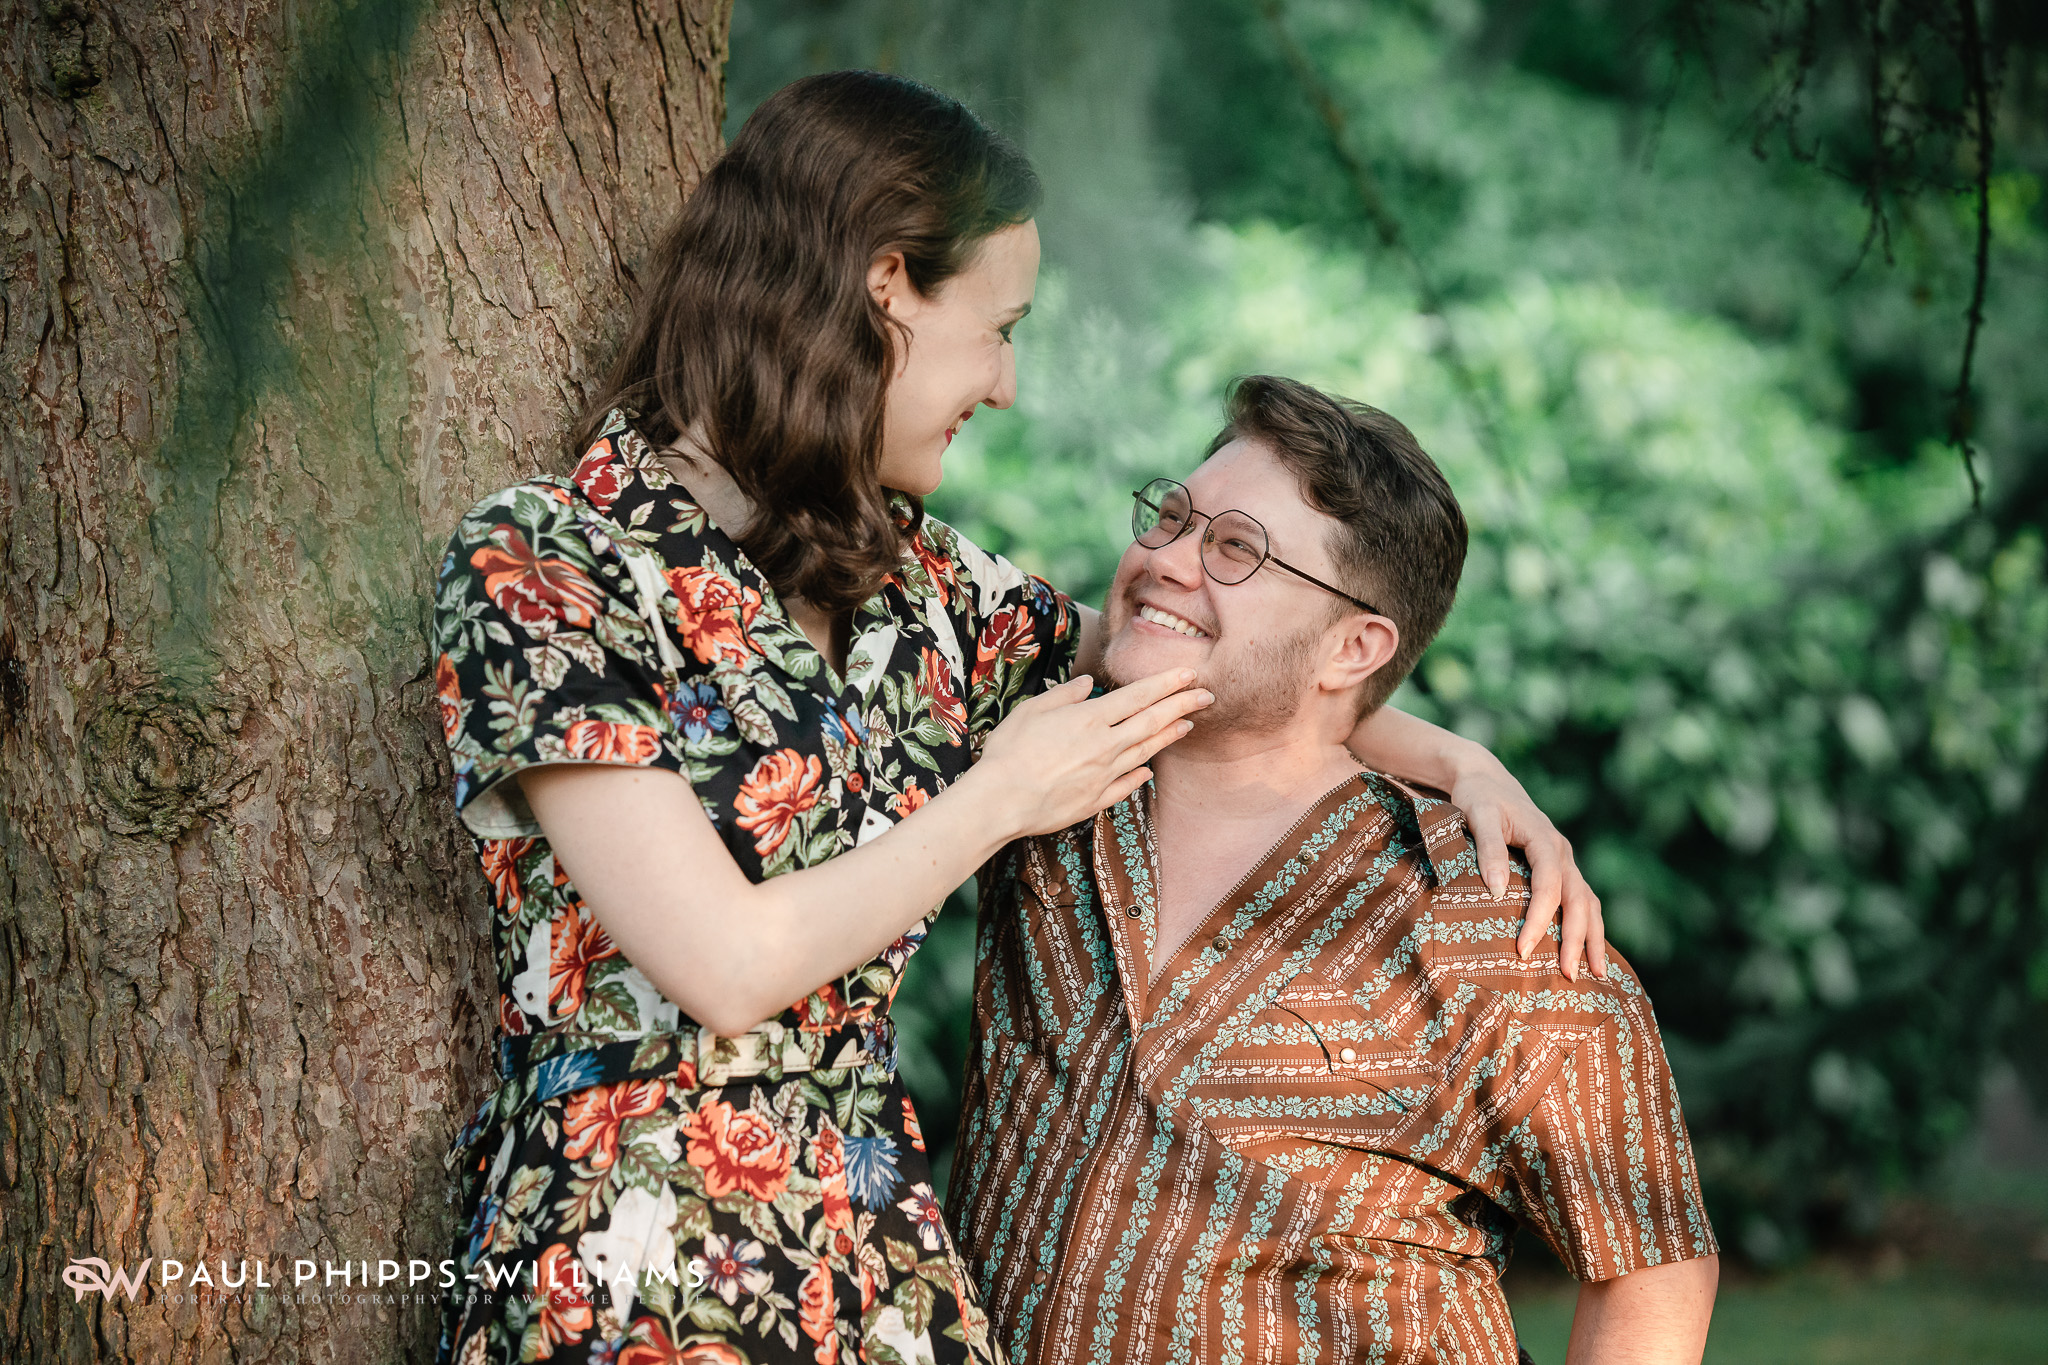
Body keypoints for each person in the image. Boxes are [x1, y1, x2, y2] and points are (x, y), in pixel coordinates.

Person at [430, 73, 1602, 1365]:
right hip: (632, 1265)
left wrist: (1461, 761)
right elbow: (725, 964)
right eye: (997, 327)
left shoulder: (918, 588)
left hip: (879, 1277)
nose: (1003, 384)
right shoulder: (546, 564)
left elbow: (1192, 658)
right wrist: (999, 798)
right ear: (887, 288)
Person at [949, 376, 1719, 1365]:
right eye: (1171, 517)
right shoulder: (1042, 781)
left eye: (1234, 548)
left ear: (1354, 646)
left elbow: (1651, 1264)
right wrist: (1459, 752)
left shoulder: (1491, 918)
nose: (1164, 560)